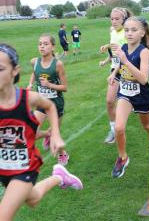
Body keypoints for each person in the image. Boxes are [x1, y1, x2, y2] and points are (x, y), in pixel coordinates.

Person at [0, 43, 83, 221]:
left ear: (15, 71)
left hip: (24, 168)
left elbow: (50, 106)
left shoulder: (27, 98)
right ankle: (60, 177)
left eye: (0, 68)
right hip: (3, 168)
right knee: (34, 198)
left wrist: (55, 135)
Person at [108, 17, 149, 178]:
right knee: (119, 128)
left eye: (134, 30)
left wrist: (126, 60)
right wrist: (114, 74)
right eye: (127, 30)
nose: (129, 33)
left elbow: (143, 79)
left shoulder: (144, 51)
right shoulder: (124, 47)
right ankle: (122, 157)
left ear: (142, 32)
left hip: (141, 94)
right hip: (125, 93)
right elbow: (120, 66)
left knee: (147, 125)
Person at [27, 34, 70, 166]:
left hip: (56, 103)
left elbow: (65, 87)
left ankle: (63, 154)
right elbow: (35, 72)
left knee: (55, 133)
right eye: (40, 44)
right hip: (41, 103)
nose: (42, 46)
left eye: (45, 44)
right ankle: (47, 134)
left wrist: (49, 85)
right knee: (31, 131)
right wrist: (30, 84)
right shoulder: (34, 61)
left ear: (53, 47)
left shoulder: (58, 64)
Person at [99, 8, 131, 144]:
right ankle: (113, 129)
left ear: (123, 19)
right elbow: (115, 47)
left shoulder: (127, 32)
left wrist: (114, 71)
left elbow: (126, 54)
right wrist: (107, 47)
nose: (114, 21)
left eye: (117, 19)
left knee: (126, 102)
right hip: (114, 68)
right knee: (109, 101)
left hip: (125, 70)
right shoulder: (113, 32)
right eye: (112, 19)